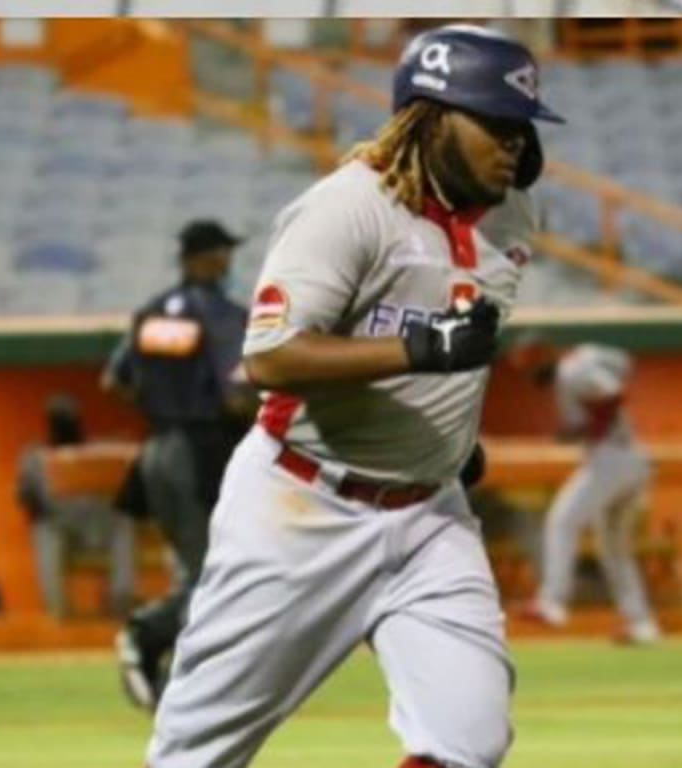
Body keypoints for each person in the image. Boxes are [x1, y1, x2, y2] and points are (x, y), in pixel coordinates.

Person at [142, 24, 559, 768]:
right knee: (194, 755)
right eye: (494, 123)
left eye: (522, 126)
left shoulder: (514, 215)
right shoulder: (346, 209)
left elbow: (459, 343)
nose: (516, 145)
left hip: (432, 515)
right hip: (302, 508)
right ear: (429, 118)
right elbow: (270, 356)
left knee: (469, 741)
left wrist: (444, 437)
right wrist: (419, 349)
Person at [102, 218, 255, 711]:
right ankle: (152, 641)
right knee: (217, 573)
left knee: (200, 567)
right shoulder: (224, 315)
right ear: (203, 258)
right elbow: (236, 398)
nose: (227, 261)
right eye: (222, 253)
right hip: (203, 451)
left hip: (157, 450)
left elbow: (115, 382)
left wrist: (163, 405)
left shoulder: (151, 316)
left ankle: (170, 666)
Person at [511, 339, 660, 645]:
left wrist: (590, 428)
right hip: (628, 460)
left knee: (562, 520)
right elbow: (621, 368)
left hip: (612, 459)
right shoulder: (573, 370)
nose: (529, 374)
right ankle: (642, 624)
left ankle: (553, 602)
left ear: (545, 354)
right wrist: (582, 430)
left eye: (529, 365)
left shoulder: (572, 371)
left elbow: (612, 395)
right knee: (614, 548)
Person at [16, 394, 136, 620]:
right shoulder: (34, 456)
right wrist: (35, 500)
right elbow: (25, 497)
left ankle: (121, 601)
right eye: (59, 421)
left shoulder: (98, 450)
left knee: (124, 521)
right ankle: (58, 611)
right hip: (61, 527)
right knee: (43, 530)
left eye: (69, 420)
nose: (65, 426)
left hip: (98, 524)